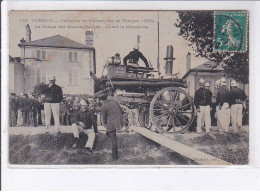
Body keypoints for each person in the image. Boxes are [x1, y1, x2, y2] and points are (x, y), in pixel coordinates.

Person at [101, 89, 124, 160]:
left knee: (113, 140)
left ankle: (114, 156)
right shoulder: (115, 102)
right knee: (109, 133)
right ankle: (108, 133)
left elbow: (104, 118)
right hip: (119, 122)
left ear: (101, 100)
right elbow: (122, 111)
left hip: (111, 124)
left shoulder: (103, 105)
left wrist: (105, 123)